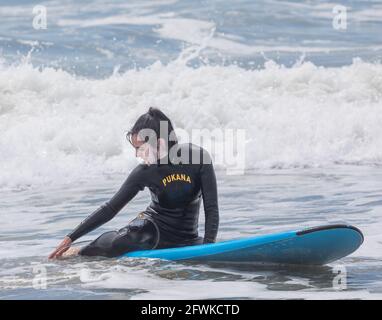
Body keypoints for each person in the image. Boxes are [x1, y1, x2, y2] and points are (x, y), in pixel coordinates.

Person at [49, 107, 219, 259]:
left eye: (140, 148)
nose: (137, 154)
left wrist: (209, 246)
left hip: (187, 239)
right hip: (153, 231)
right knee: (127, 239)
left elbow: (211, 209)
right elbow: (110, 208)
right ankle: (81, 251)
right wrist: (71, 237)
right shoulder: (145, 171)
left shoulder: (198, 159)